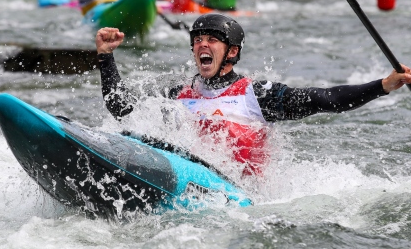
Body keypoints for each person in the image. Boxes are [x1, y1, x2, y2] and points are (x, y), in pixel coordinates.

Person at [95, 13, 411, 176]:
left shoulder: (257, 96)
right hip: (183, 175)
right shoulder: (178, 93)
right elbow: (118, 108)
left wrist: (382, 85)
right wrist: (106, 57)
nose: (202, 44)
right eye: (198, 39)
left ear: (231, 51)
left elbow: (325, 99)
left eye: (212, 39)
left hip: (237, 199)